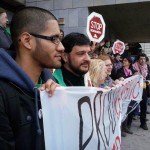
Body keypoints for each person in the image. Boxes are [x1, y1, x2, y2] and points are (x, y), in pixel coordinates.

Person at [0, 7, 64, 150]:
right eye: (54, 39)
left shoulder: (53, 85)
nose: (61, 47)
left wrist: (63, 104)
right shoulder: (3, 94)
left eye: (60, 39)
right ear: (27, 41)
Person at [133, 53, 150, 130]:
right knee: (132, 106)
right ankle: (127, 124)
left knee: (144, 106)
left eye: (144, 59)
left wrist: (148, 80)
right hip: (134, 89)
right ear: (138, 59)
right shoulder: (133, 67)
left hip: (144, 89)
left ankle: (143, 123)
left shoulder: (147, 67)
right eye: (141, 59)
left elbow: (149, 76)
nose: (142, 60)